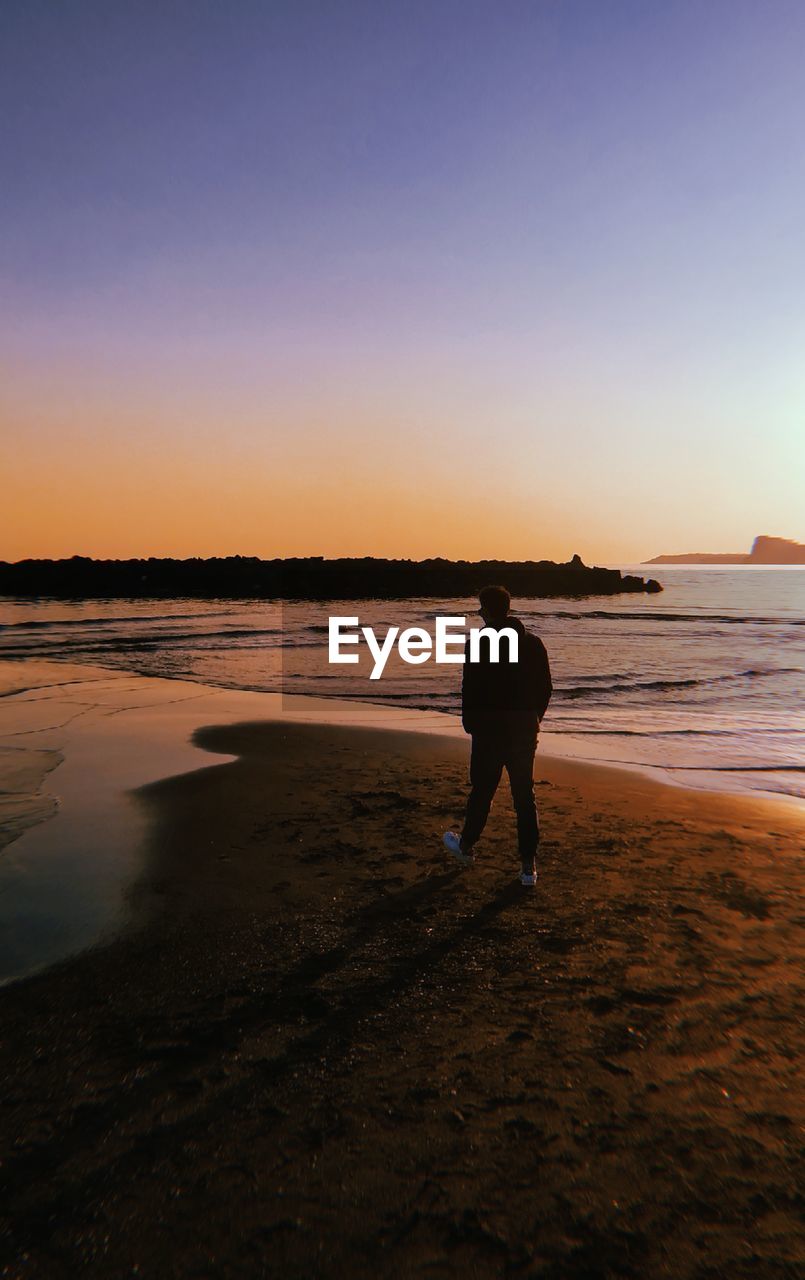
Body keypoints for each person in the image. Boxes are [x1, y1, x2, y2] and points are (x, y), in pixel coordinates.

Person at [443, 585, 552, 886]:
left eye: (480, 608)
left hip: (489, 729)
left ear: (489, 611)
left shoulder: (478, 643)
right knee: (523, 796)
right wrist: (534, 717)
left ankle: (466, 846)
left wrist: (469, 722)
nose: (479, 613)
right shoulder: (533, 643)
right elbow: (545, 688)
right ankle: (528, 867)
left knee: (482, 790)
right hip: (522, 728)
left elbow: (470, 689)